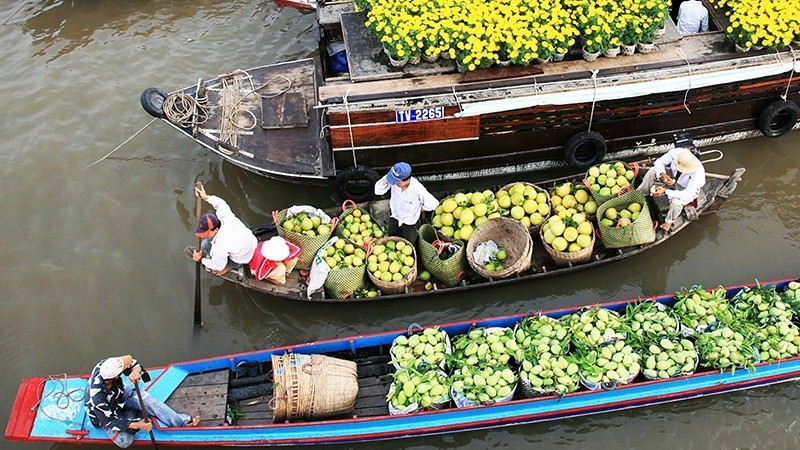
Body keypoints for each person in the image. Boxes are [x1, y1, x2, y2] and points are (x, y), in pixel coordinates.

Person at [84, 356, 200, 448]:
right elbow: (111, 421)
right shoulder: (97, 398)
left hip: (119, 395)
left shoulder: (106, 365)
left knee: (150, 402)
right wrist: (139, 425)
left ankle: (181, 423)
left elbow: (133, 363)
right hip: (107, 415)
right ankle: (132, 415)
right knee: (125, 441)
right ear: (114, 377)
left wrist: (136, 371)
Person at [187, 183, 258, 276]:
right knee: (206, 243)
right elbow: (220, 203)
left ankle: (230, 265)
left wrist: (200, 260)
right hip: (251, 242)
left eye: (207, 233)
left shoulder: (219, 247)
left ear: (216, 230)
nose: (204, 235)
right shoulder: (225, 217)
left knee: (205, 245)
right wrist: (206, 197)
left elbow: (218, 266)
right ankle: (214, 259)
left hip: (243, 258)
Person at [637, 147, 705, 232]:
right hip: (672, 176)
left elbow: (688, 193)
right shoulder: (677, 152)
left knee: (676, 203)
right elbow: (659, 162)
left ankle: (669, 221)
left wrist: (665, 191)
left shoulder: (698, 173)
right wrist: (662, 174)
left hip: (685, 189)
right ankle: (641, 193)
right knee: (653, 171)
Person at [374, 162, 438, 243]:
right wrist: (387, 179)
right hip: (395, 216)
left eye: (398, 182)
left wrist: (420, 209)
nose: (395, 183)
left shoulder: (417, 189)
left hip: (410, 221)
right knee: (392, 238)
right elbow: (378, 191)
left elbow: (433, 204)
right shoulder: (393, 180)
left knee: (411, 242)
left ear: (407, 180)